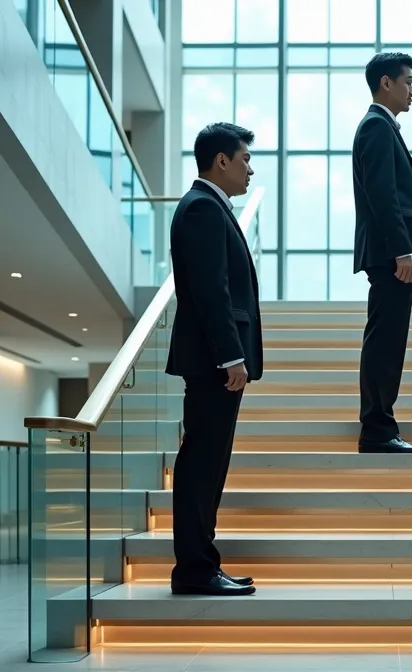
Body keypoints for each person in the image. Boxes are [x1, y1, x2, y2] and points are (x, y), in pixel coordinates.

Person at [166, 122, 262, 597]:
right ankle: (196, 570)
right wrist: (230, 356)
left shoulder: (207, 207)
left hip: (211, 363)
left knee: (208, 465)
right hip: (212, 364)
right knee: (203, 467)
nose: (250, 169)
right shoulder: (203, 208)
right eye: (244, 159)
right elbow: (211, 292)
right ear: (220, 161)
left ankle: (202, 565)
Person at [351, 52, 412, 455]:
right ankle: (378, 430)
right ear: (386, 83)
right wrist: (403, 250)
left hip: (392, 255)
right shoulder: (376, 127)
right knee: (386, 341)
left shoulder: (382, 127)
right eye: (408, 81)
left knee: (388, 339)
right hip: (392, 256)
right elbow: (382, 194)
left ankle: (381, 426)